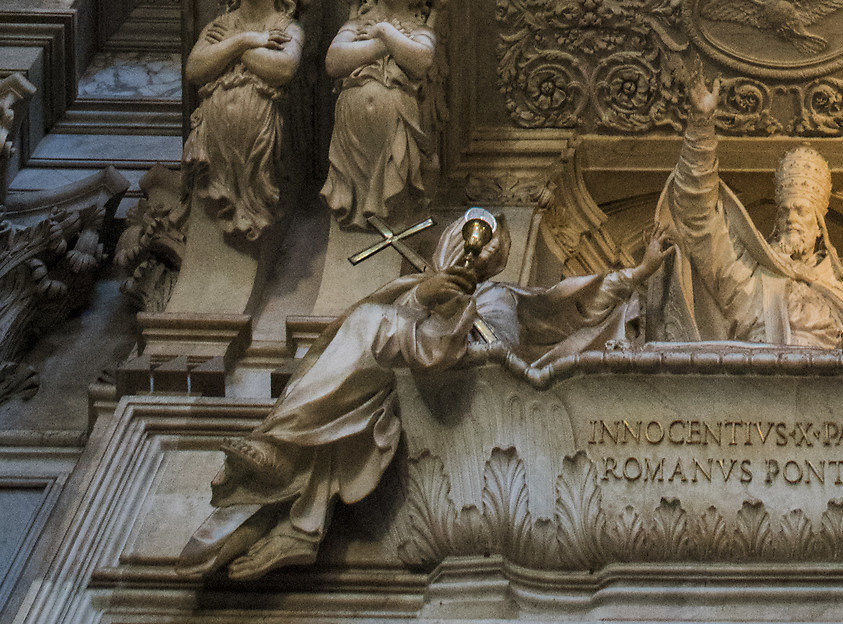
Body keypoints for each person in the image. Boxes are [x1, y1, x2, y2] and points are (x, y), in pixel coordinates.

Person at [180, 207, 669, 580]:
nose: (472, 254)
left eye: (483, 248)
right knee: (372, 342)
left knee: (375, 329)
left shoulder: (503, 298)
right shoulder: (415, 292)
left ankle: (289, 467)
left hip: (486, 385)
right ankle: (290, 490)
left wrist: (636, 275)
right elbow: (397, 340)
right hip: (429, 377)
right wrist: (423, 299)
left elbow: (571, 306)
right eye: (466, 241)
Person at [652, 70, 843, 346]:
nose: (790, 219)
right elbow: (700, 222)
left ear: (820, 227)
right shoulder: (751, 283)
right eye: (783, 211)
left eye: (801, 210)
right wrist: (701, 129)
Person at [185, 0, 310, 243]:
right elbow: (195, 69)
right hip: (216, 141)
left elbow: (282, 68)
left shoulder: (286, 26)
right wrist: (246, 40)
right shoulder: (220, 26)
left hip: (262, 141)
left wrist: (230, 49)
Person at [322, 0, 443, 231]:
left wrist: (385, 32)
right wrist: (384, 44)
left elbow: (421, 60)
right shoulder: (356, 25)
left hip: (396, 126)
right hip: (352, 134)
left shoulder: (418, 28)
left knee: (395, 192)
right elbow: (334, 62)